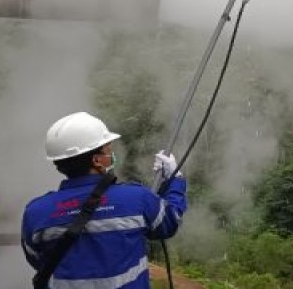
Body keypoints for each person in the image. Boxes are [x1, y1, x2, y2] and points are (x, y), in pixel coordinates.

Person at [22, 111, 187, 288]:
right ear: (97, 160)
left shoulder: (36, 212)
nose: (112, 153)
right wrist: (175, 178)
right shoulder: (136, 198)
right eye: (108, 149)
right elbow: (169, 222)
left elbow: (38, 260)